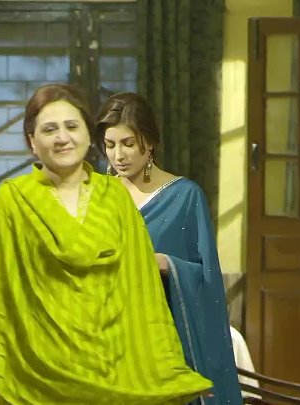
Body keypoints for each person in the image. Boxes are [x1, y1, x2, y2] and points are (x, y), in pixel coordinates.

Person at [0, 84, 212, 405]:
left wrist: (168, 370)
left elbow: (143, 291)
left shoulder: (114, 197)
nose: (62, 137)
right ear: (32, 142)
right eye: (49, 129)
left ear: (89, 136)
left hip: (113, 373)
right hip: (33, 377)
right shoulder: (12, 201)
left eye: (72, 126)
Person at [95, 92, 242, 405]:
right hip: (104, 338)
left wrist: (166, 264)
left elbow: (207, 280)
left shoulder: (185, 197)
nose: (118, 156)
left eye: (128, 144)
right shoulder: (97, 198)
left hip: (163, 339)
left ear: (149, 142)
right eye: (110, 145)